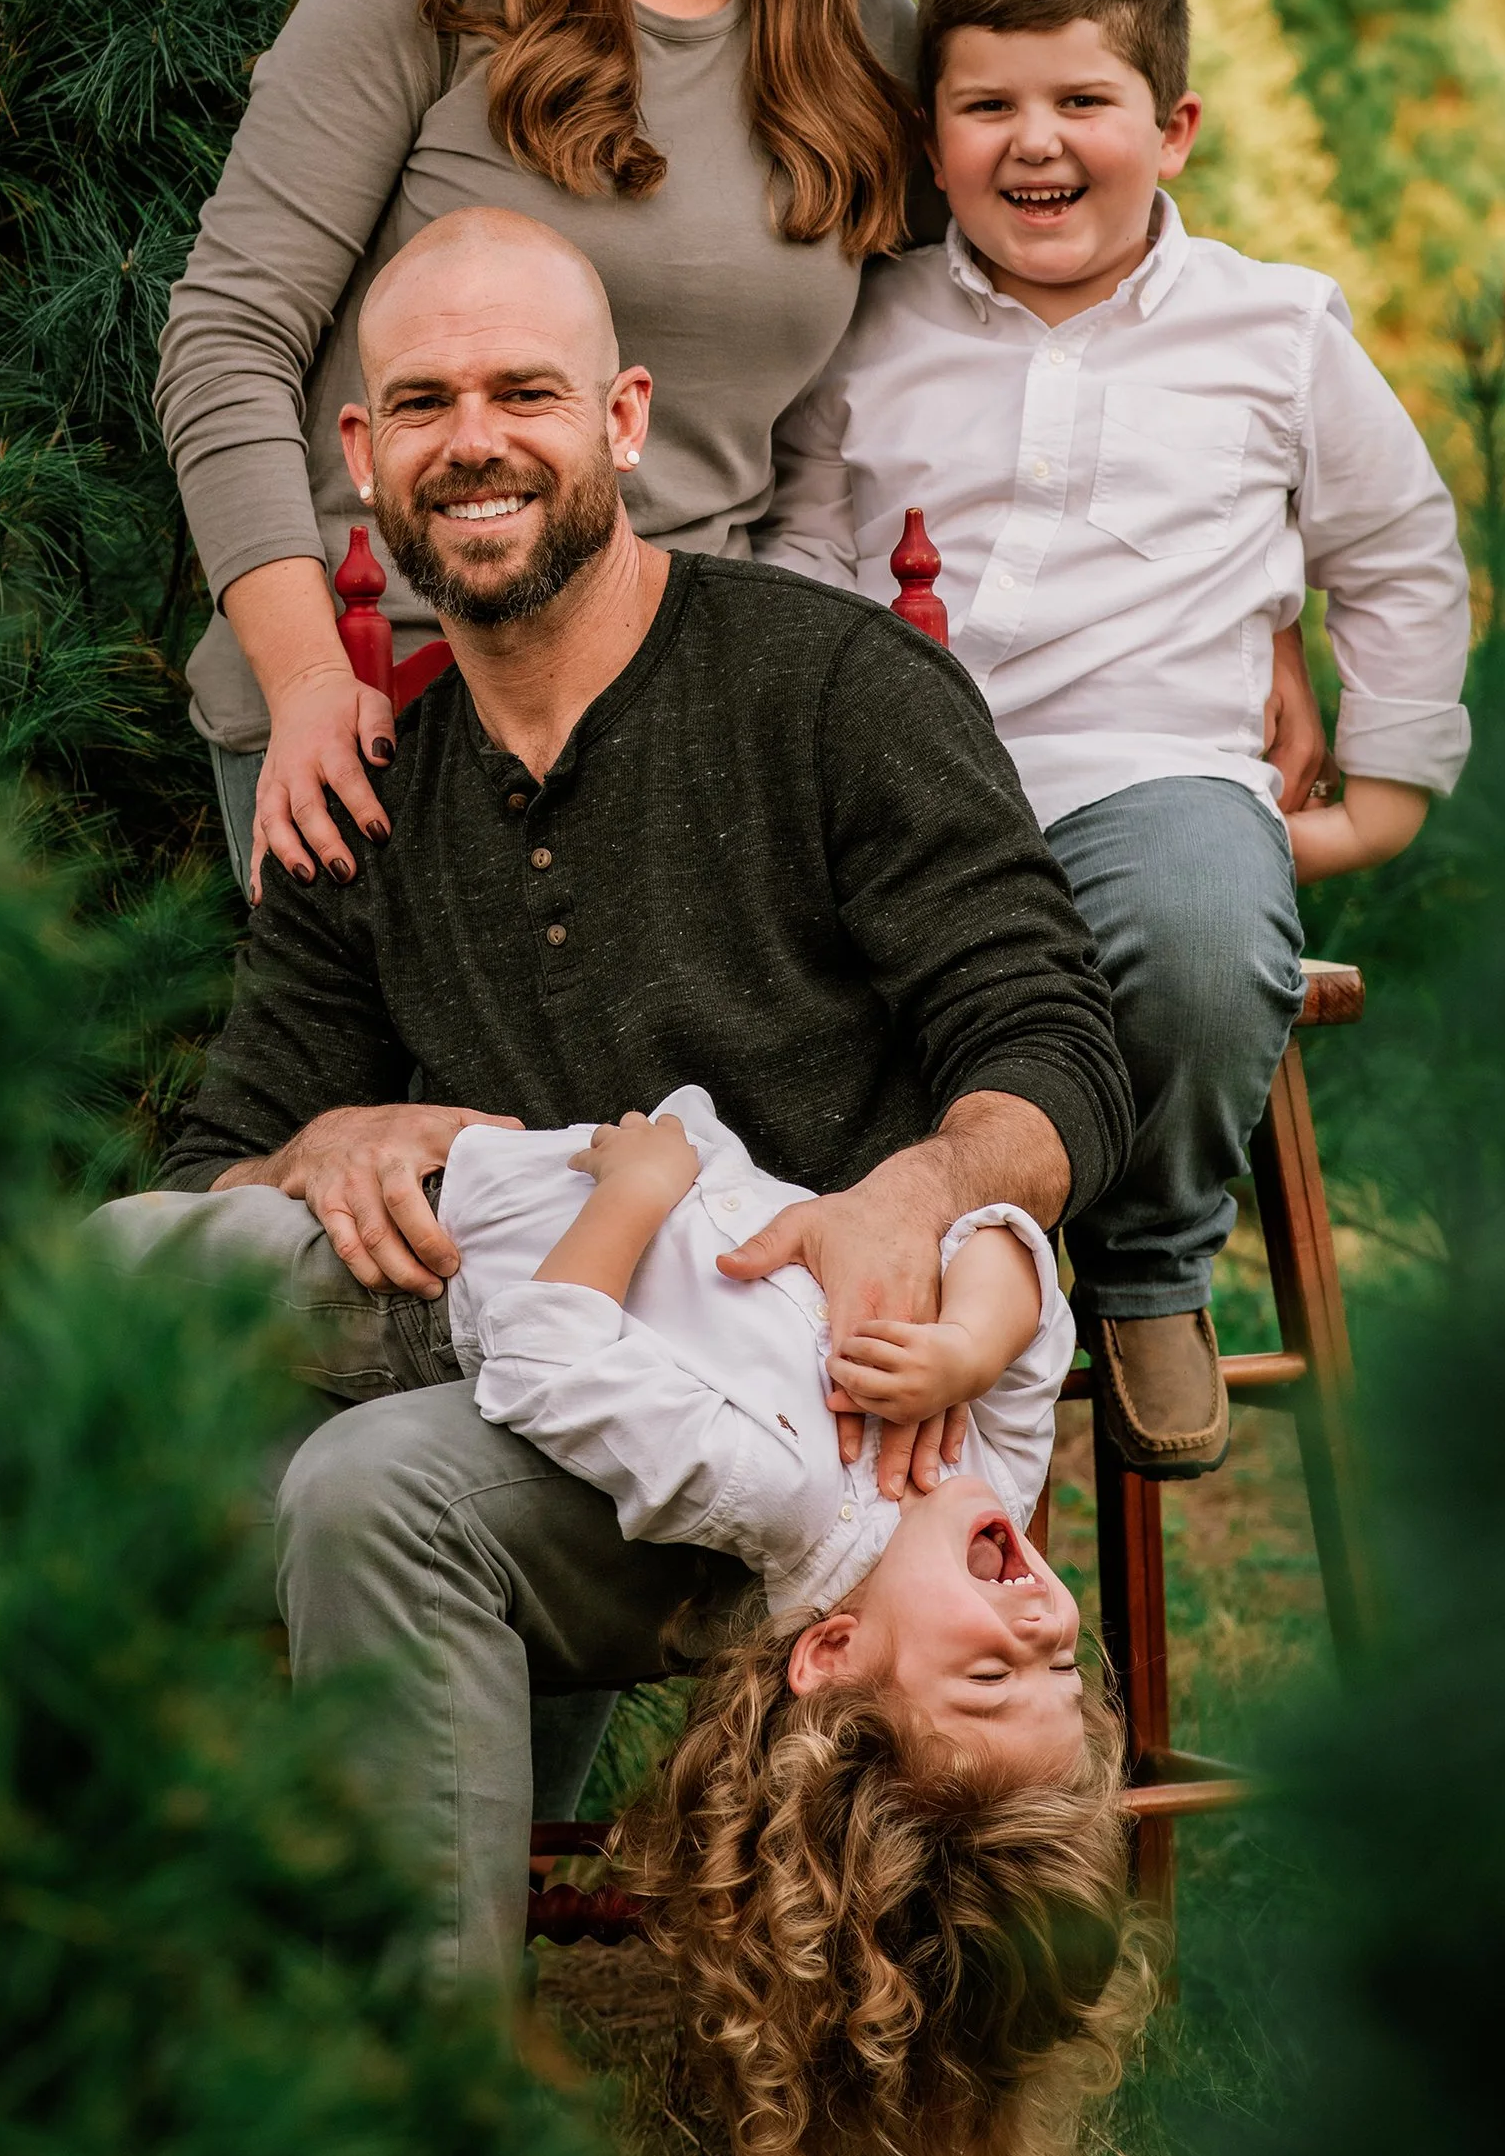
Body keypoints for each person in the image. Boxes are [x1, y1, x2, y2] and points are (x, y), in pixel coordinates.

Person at [120, 201, 1135, 1984]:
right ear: (360, 458)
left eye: (527, 389)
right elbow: (225, 1160)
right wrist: (327, 1145)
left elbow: (1048, 1043)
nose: (476, 441)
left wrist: (914, 1195)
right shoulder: (367, 795)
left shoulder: (828, 691)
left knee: (371, 1486)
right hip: (519, 1350)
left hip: (771, 1444)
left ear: (623, 419)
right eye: (423, 403)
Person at [153, 0, 1331, 896]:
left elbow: (1056, 327)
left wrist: (1244, 611)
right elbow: (225, 338)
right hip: (392, 690)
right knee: (458, 1129)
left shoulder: (856, 27)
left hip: (704, 723)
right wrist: (298, 682)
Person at [761, 0, 1473, 1483]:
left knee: (1210, 932)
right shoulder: (866, 326)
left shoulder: (1271, 331)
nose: (1036, 143)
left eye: (1083, 101)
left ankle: (1150, 1264)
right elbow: (804, 544)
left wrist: (1386, 796)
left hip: (1154, 773)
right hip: (908, 791)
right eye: (986, 104)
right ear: (927, 129)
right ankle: (900, 1275)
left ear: (1174, 125)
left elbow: (1401, 545)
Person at [440, 1093, 1147, 2156]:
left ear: (831, 1655)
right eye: (1061, 1662)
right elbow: (1010, 1246)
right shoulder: (995, 1470)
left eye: (987, 1671)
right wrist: (964, 1348)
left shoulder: (775, 1490)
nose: (1039, 1616)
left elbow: (542, 1355)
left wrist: (636, 1191)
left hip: (502, 1200)